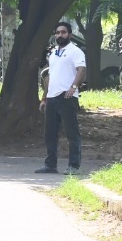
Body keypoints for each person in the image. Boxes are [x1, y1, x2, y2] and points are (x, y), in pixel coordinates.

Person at [38, 20, 85, 175]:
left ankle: (74, 166)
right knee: (50, 133)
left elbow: (81, 70)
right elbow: (49, 76)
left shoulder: (75, 51)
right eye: (57, 32)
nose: (60, 35)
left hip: (67, 97)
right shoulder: (53, 53)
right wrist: (44, 98)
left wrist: (73, 87)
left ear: (69, 34)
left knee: (72, 133)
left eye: (63, 32)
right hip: (52, 97)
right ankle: (50, 164)